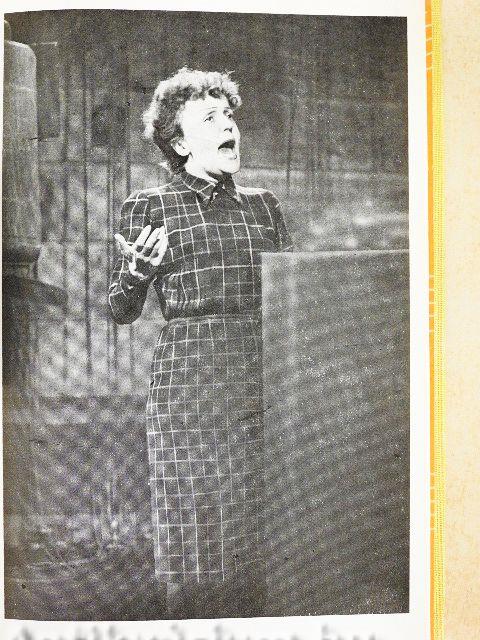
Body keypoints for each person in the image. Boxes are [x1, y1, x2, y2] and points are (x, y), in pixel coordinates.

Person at [108, 68, 293, 618]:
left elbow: (293, 293)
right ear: (181, 143)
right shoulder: (150, 206)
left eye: (228, 115)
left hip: (260, 374)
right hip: (187, 381)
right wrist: (137, 272)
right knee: (193, 526)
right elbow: (120, 309)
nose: (227, 125)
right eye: (209, 118)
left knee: (258, 526)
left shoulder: (263, 205)